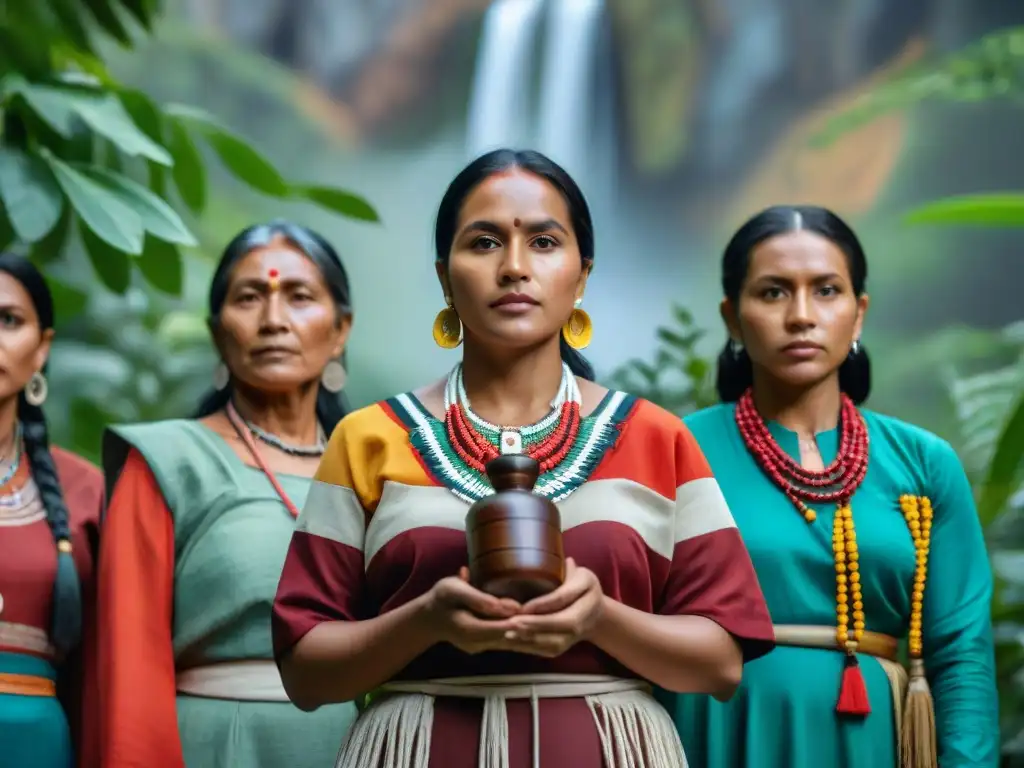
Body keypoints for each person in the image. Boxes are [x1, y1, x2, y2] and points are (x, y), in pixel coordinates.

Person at [271, 148, 776, 768]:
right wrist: (425, 620)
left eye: (543, 243)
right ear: (444, 276)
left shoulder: (655, 437)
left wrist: (600, 619)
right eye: (484, 244)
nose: (514, 268)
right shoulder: (367, 439)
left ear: (581, 275)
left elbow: (721, 663)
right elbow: (303, 670)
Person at [659, 205, 999, 768]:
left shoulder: (924, 463)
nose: (801, 316)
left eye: (826, 291)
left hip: (874, 741)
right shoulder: (673, 449)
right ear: (732, 318)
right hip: (713, 732)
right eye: (772, 293)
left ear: (858, 312)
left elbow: (961, 655)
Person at [94, 221, 359, 767]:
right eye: (249, 297)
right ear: (218, 333)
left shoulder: (374, 467)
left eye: (300, 297)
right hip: (217, 743)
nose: (273, 320)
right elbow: (129, 663)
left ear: (340, 330)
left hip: (356, 744)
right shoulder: (168, 462)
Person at [0, 253, 104, 768]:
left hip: (36, 742)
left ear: (42, 348)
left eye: (8, 321)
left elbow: (105, 660)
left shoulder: (85, 489)